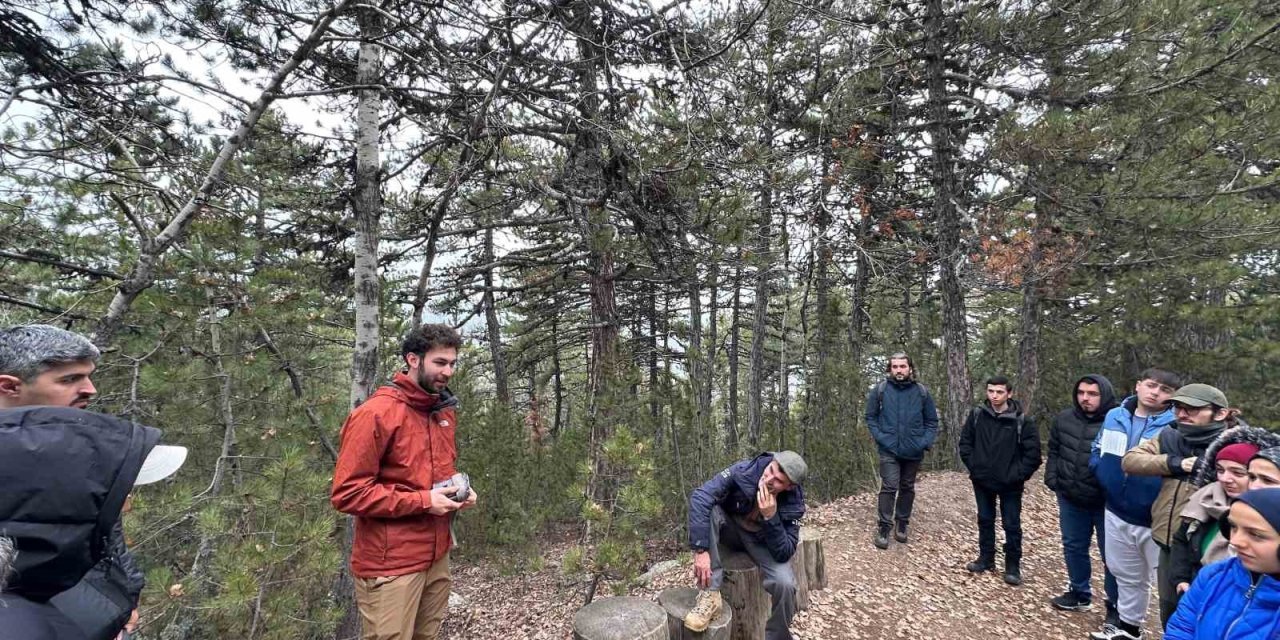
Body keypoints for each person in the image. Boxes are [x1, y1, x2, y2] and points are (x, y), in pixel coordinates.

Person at [0, 324, 185, 640]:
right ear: (9, 386)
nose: (90, 389)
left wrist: (119, 601)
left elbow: (104, 539)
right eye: (69, 379)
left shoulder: (82, 453)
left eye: (88, 375)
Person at [330, 323, 477, 640]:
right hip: (391, 566)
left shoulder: (440, 412)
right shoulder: (376, 414)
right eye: (440, 362)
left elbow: (429, 475)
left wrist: (457, 492)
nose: (448, 371)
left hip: (436, 557)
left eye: (452, 363)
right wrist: (425, 502)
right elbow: (347, 494)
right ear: (413, 359)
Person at [1121, 383, 1232, 626]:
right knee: (1170, 613)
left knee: (1207, 619)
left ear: (1221, 413)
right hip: (1169, 541)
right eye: (1178, 408)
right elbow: (1131, 460)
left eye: (1191, 409)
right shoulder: (1170, 435)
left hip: (1211, 552)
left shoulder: (1234, 448)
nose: (1182, 414)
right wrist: (1176, 464)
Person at [1088, 367, 1180, 640]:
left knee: (1169, 586)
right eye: (1152, 385)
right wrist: (1101, 471)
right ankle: (1129, 630)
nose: (1156, 393)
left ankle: (1175, 634)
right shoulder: (1115, 415)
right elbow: (1098, 447)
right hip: (1116, 509)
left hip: (1156, 517)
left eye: (1165, 390)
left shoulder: (1175, 426)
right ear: (1138, 385)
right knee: (1125, 575)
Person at [684, 451, 807, 639]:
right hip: (731, 530)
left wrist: (771, 517)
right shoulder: (744, 471)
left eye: (778, 481)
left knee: (785, 584)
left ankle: (778, 636)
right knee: (711, 510)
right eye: (771, 470)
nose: (769, 479)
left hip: (762, 541)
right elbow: (701, 496)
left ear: (789, 487)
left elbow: (786, 551)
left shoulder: (794, 502)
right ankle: (711, 595)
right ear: (771, 462)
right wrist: (701, 549)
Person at [1169, 426, 1280, 600]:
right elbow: (1181, 539)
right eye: (1220, 470)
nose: (1225, 478)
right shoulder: (1204, 499)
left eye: (1237, 473)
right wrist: (1180, 579)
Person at [1044, 374, 1120, 618]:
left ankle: (1116, 606)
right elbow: (1054, 449)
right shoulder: (1065, 418)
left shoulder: (1117, 421)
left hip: (1106, 502)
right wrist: (1053, 478)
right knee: (1074, 547)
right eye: (1081, 393)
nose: (1085, 398)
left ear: (1104, 395)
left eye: (1092, 394)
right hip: (1070, 496)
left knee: (1112, 555)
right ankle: (1079, 593)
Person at [1163, 488, 1280, 640]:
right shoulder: (1214, 575)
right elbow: (1182, 626)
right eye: (1233, 527)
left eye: (1256, 535)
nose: (1235, 541)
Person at [959, 375, 1041, 585]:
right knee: (985, 519)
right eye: (991, 391)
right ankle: (986, 558)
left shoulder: (1023, 421)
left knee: (1011, 524)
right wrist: (975, 467)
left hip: (1010, 484)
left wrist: (1016, 475)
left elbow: (1033, 456)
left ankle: (1012, 566)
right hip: (982, 480)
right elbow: (965, 443)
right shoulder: (977, 415)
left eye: (999, 392)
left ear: (1009, 394)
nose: (994, 396)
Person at [865, 352, 938, 549]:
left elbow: (931, 421)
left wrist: (924, 442)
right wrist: (881, 437)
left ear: (910, 369)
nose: (899, 370)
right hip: (888, 449)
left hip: (914, 449)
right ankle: (884, 526)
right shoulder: (880, 390)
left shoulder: (921, 392)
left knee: (907, 486)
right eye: (895, 366)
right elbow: (870, 417)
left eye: (902, 366)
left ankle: (902, 523)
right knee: (889, 485)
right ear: (890, 369)